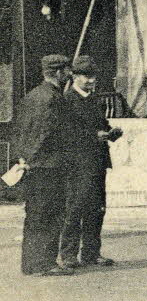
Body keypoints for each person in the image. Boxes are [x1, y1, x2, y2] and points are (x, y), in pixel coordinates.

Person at [14, 54, 75, 277]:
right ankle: (45, 263)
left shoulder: (32, 95)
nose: (69, 75)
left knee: (35, 215)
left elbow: (20, 130)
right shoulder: (53, 99)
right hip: (49, 166)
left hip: (34, 165)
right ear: (58, 73)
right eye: (67, 71)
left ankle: (31, 264)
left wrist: (24, 158)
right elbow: (46, 133)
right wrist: (33, 157)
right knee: (49, 215)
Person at [60, 56, 123, 269]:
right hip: (78, 165)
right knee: (75, 209)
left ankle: (91, 253)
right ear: (74, 77)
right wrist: (95, 135)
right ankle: (68, 255)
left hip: (97, 164)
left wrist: (111, 133)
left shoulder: (94, 99)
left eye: (93, 76)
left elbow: (101, 124)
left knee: (97, 210)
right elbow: (67, 133)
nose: (91, 81)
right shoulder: (68, 100)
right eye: (86, 77)